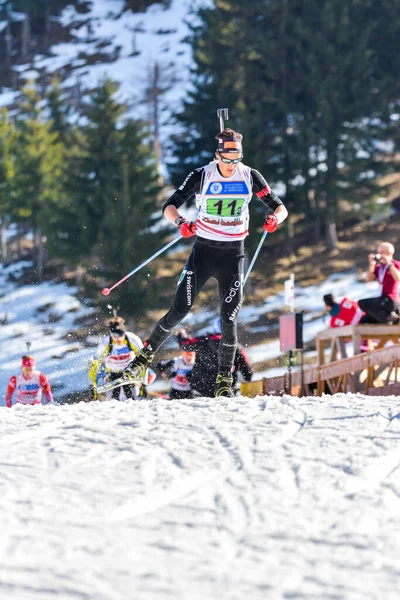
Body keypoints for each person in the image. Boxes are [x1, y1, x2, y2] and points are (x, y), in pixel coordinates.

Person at [123, 127, 288, 397]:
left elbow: (280, 207)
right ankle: (142, 360)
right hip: (203, 254)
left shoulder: (250, 176)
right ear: (217, 155)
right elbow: (170, 205)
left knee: (228, 319)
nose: (231, 165)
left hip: (233, 256)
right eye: (227, 159)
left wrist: (274, 220)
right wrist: (180, 222)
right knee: (179, 310)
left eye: (236, 159)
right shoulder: (202, 175)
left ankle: (224, 380)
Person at [176, 318, 253, 397]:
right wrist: (248, 379)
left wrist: (181, 334)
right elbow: (247, 370)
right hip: (225, 388)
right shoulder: (236, 347)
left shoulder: (203, 341)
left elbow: (184, 344)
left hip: (201, 386)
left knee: (189, 375)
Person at [90, 316, 152, 400]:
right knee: (113, 401)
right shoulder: (105, 343)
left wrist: (144, 384)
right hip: (112, 375)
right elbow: (94, 364)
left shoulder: (132, 340)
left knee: (133, 399)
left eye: (121, 334)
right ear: (110, 334)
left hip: (129, 374)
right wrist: (93, 385)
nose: (118, 338)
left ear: (124, 332)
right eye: (115, 334)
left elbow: (144, 361)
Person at [358, 242, 400, 324]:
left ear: (388, 253)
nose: (379, 255)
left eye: (381, 253)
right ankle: (391, 318)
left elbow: (398, 278)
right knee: (364, 320)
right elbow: (369, 279)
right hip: (380, 299)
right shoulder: (379, 267)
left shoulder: (395, 264)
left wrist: (389, 264)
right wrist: (372, 264)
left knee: (362, 303)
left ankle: (391, 319)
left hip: (390, 299)